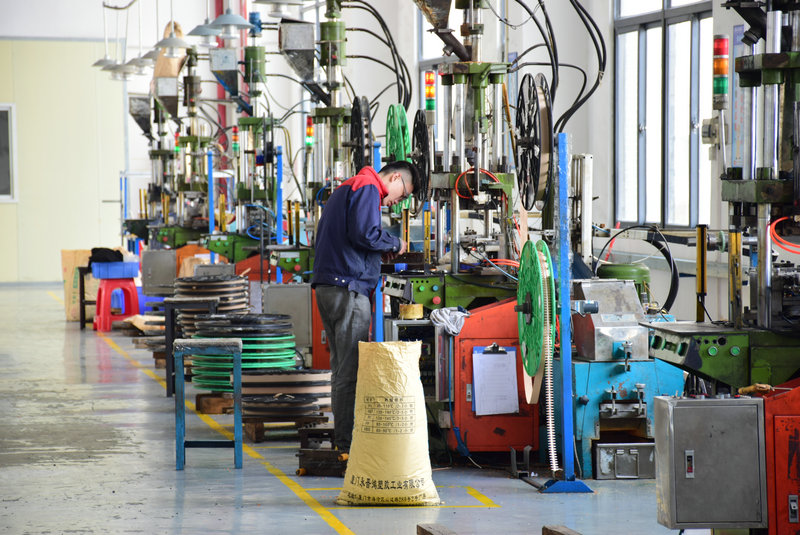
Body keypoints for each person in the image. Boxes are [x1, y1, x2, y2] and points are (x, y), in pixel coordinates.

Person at [311, 160, 418, 453]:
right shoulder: (367, 185)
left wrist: (376, 254)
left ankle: (343, 440)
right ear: (395, 178)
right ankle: (348, 446)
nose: (397, 202)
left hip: (330, 287)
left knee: (341, 370)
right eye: (403, 194)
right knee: (349, 372)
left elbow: (355, 237)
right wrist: (394, 244)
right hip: (347, 290)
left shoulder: (350, 186)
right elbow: (365, 233)